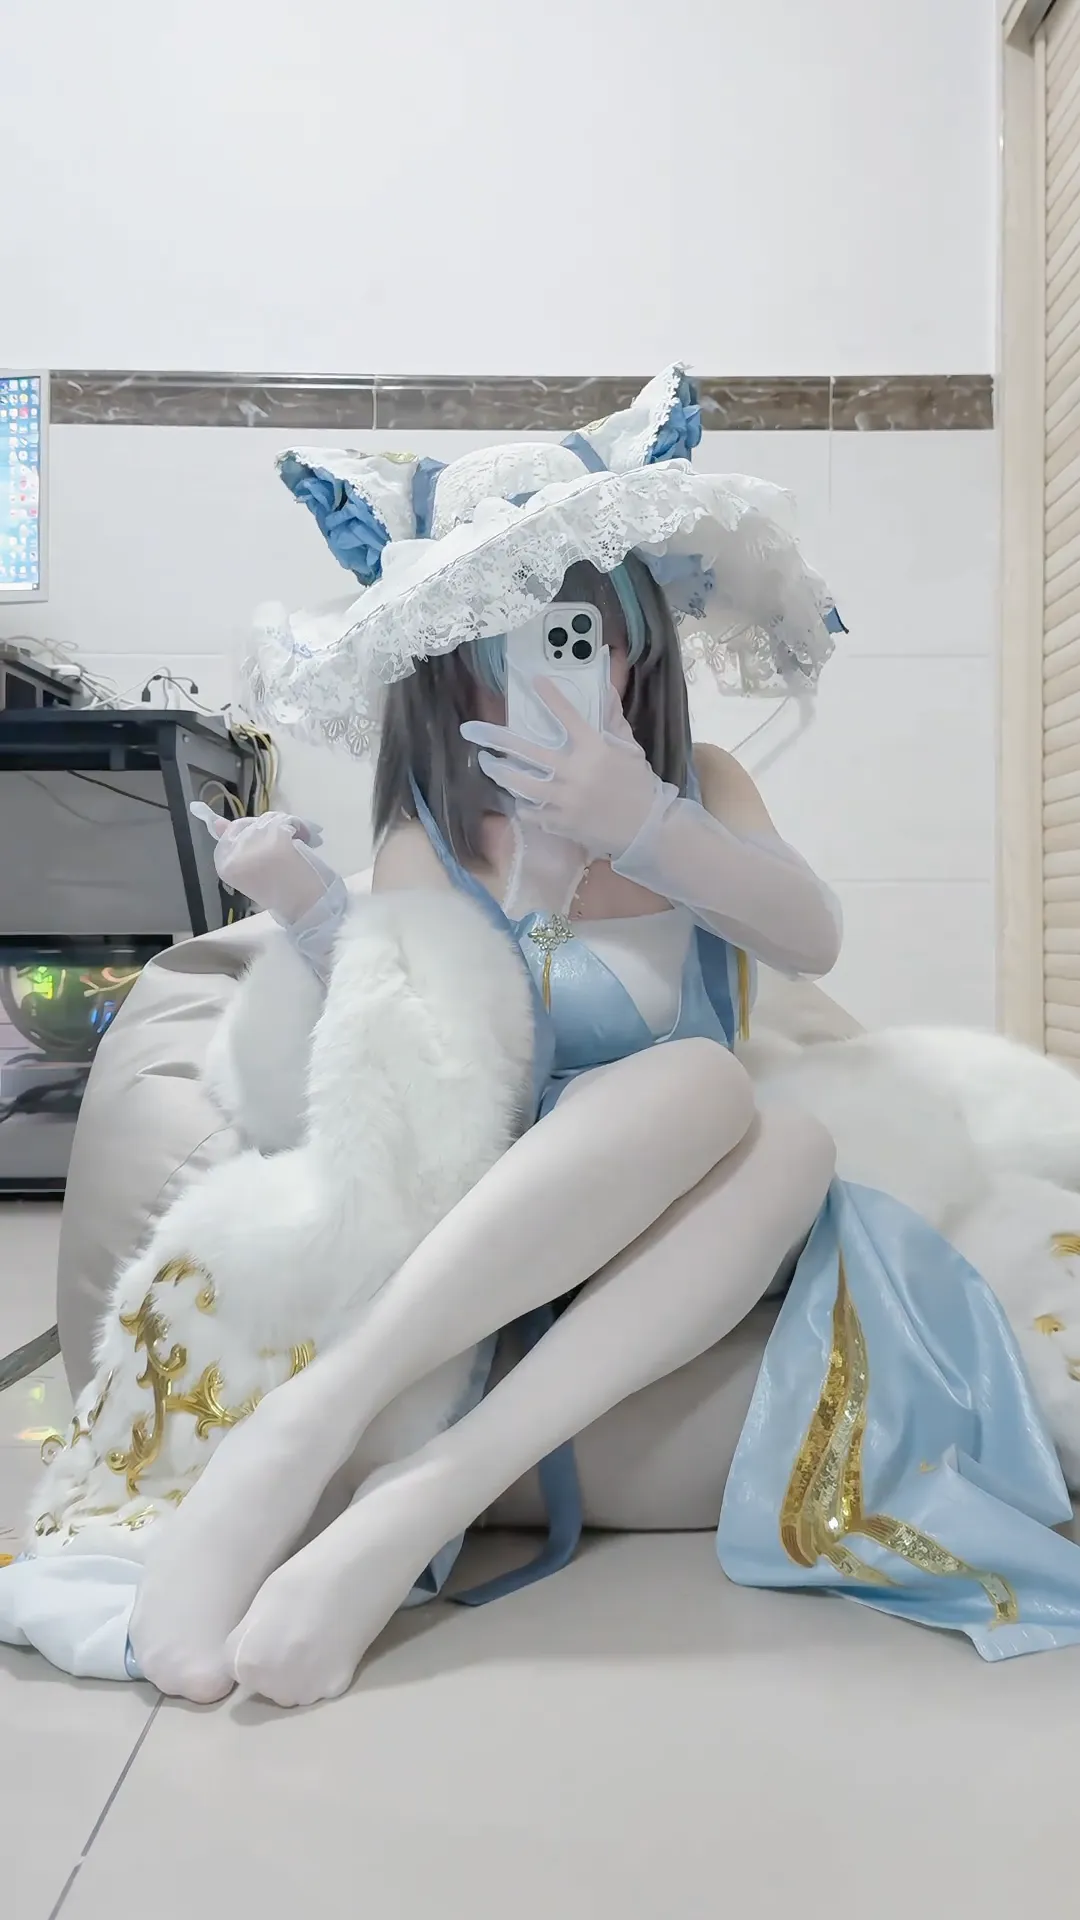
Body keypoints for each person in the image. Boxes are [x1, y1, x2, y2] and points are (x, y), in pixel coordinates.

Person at [119, 369, 1080, 1704]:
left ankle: (419, 1498)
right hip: (504, 1222)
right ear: (456, 660)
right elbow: (406, 1031)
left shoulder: (701, 787)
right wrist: (309, 905)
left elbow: (811, 936)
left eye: (584, 632)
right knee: (708, 1089)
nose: (559, 665)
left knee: (774, 1123)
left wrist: (647, 825)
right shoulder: (434, 827)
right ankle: (309, 1424)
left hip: (680, 1222)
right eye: (508, 638)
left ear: (635, 644)